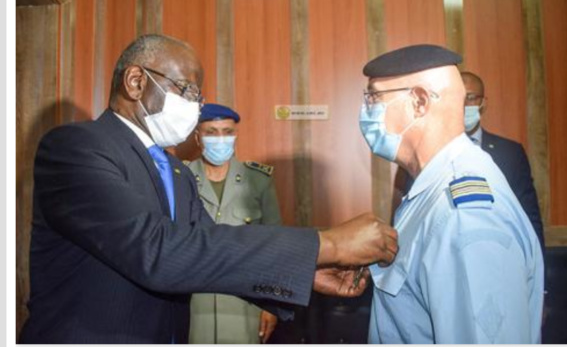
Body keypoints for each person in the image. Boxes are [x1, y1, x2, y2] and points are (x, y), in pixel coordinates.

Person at [19, 34, 398, 343]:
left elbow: (206, 246)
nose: (194, 107)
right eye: (186, 90)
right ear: (136, 81)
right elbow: (159, 251)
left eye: (197, 97)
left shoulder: (175, 172)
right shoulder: (76, 147)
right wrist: (326, 243)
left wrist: (310, 270)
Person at [360, 44, 544, 343]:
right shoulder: (431, 189)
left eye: (374, 97)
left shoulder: (466, 214)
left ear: (419, 101)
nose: (366, 110)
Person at [186, 103, 281, 344]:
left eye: (228, 132)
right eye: (211, 131)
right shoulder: (182, 178)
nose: (221, 139)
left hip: (244, 302)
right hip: (192, 303)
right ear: (198, 137)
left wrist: (271, 305)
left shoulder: (258, 180)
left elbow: (275, 246)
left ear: (235, 135)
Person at [462, 70, 545, 252]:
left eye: (471, 97)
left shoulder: (511, 153)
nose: (464, 104)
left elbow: (529, 216)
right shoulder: (432, 153)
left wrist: (537, 275)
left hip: (501, 256)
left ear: (483, 103)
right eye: (459, 98)